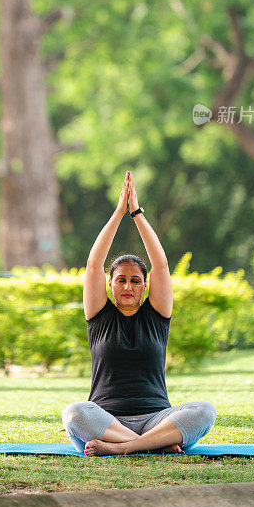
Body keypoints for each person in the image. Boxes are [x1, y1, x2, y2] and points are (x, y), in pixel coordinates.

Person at [62, 170, 216, 457]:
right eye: (121, 280)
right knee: (74, 413)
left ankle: (126, 448)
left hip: (156, 420)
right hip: (106, 421)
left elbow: (161, 265)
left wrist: (137, 214)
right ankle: (152, 447)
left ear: (146, 285)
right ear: (110, 285)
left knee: (205, 411)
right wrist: (120, 212)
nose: (128, 286)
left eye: (135, 280)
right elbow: (94, 264)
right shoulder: (100, 316)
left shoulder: (157, 315)